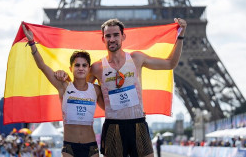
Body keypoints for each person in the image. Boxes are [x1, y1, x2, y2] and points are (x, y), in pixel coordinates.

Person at [56, 18, 187, 157]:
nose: (112, 39)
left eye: (115, 35)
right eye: (108, 36)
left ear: (123, 36)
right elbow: (80, 88)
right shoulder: (97, 67)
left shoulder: (136, 58)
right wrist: (64, 76)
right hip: (113, 126)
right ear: (103, 39)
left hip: (138, 124)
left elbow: (170, 64)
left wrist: (181, 35)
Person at [22, 22, 104, 157]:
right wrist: (31, 42)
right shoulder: (64, 86)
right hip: (69, 147)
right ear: (71, 68)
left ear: (89, 69)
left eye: (84, 65)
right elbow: (42, 66)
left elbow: (111, 105)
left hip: (91, 147)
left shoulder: (96, 89)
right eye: (77, 65)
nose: (81, 68)